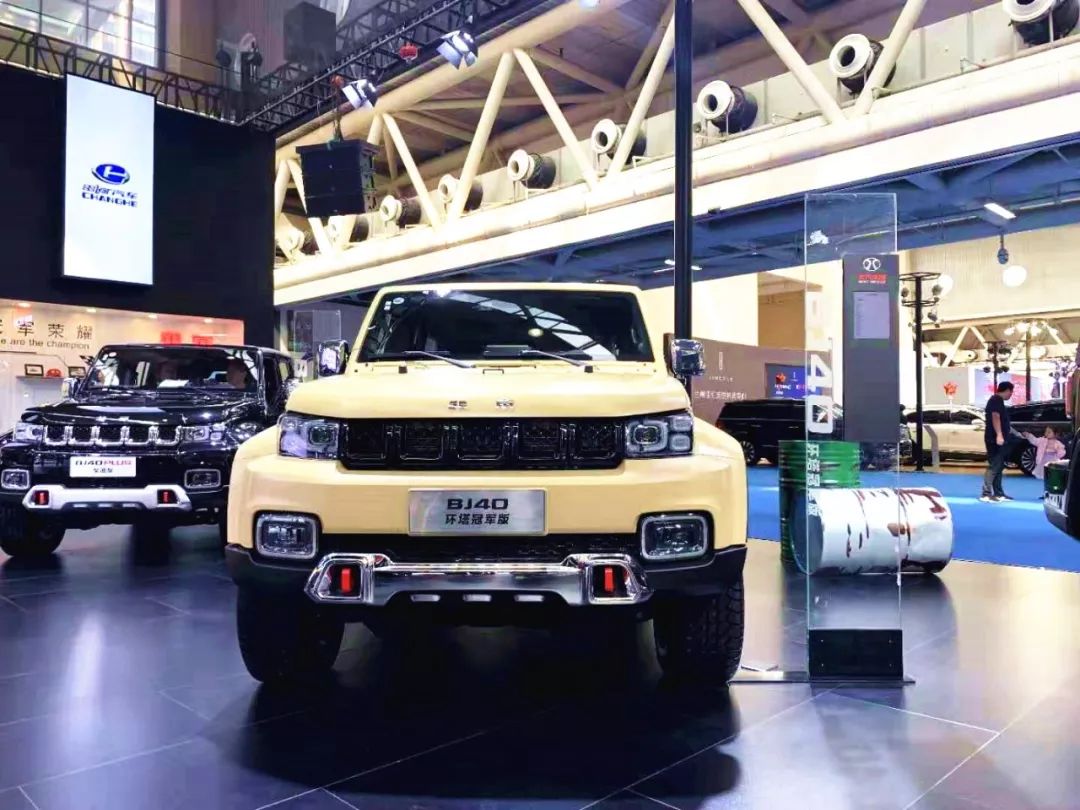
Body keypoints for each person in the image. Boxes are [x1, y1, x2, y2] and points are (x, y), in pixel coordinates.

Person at [981, 381, 1014, 502]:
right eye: (1011, 392)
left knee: (999, 465)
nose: (1010, 395)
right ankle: (986, 492)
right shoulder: (996, 400)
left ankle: (998, 492)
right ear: (1007, 390)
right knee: (995, 465)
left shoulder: (997, 401)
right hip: (994, 439)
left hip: (995, 438)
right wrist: (999, 435)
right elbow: (995, 416)